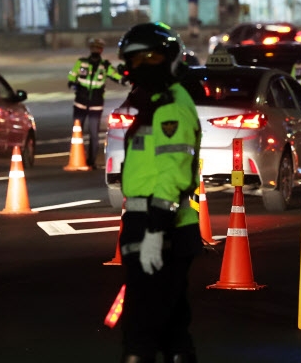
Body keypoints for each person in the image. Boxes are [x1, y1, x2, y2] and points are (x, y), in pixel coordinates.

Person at [116, 22, 203, 363]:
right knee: (171, 323)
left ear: (169, 58)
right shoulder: (153, 102)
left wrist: (154, 229)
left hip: (162, 223)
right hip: (147, 219)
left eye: (150, 57)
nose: (142, 66)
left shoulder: (170, 106)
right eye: (135, 60)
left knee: (142, 324)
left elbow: (173, 171)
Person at [67, 37, 125, 169]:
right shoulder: (81, 63)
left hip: (96, 104)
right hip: (80, 103)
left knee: (94, 134)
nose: (95, 50)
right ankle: (77, 158)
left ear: (101, 50)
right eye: (93, 47)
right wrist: (74, 85)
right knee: (77, 133)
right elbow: (71, 78)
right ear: (90, 49)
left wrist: (125, 76)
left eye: (98, 48)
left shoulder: (105, 66)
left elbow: (118, 78)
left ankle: (91, 161)